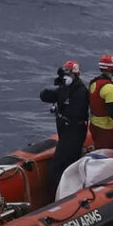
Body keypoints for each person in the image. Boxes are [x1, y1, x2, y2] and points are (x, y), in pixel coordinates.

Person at [39, 60, 90, 195]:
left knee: (57, 166)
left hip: (74, 132)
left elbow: (76, 112)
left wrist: (61, 106)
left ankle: (62, 194)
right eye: (65, 73)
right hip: (65, 132)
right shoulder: (64, 89)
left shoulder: (81, 91)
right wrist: (58, 84)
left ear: (76, 75)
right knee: (64, 162)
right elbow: (44, 96)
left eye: (69, 73)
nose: (66, 76)